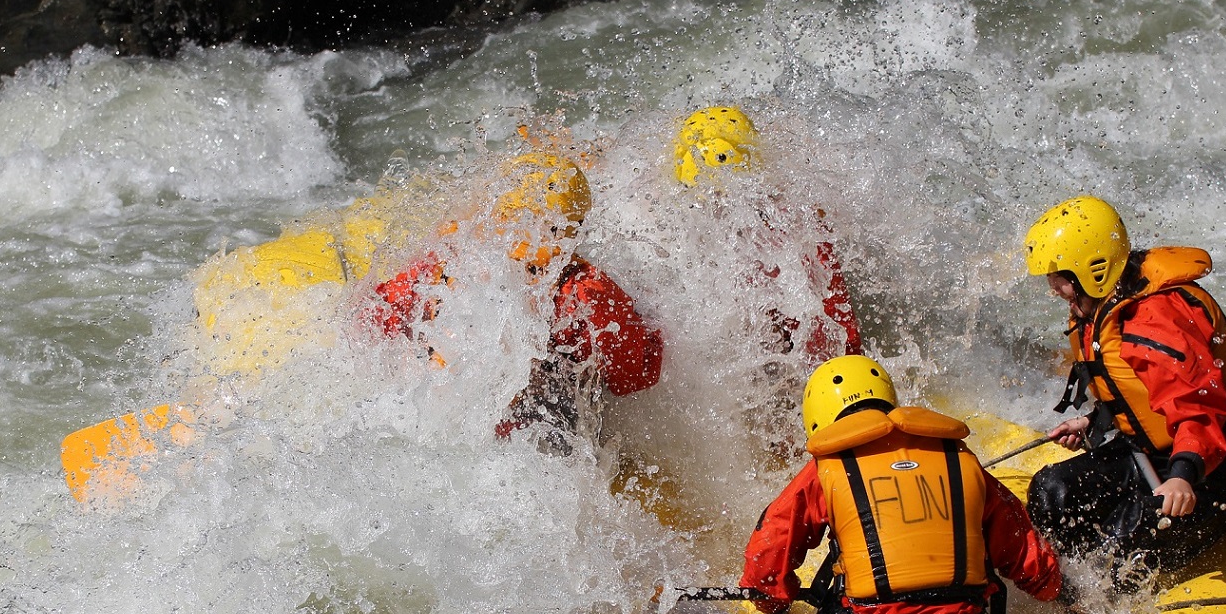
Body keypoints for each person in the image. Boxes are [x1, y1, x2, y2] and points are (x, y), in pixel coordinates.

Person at [740, 355, 1062, 614]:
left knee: (835, 607)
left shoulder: (825, 470)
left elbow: (766, 559)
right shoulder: (958, 455)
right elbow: (1028, 555)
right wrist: (1058, 591)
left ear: (818, 419)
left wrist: (774, 604)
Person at [1023, 195, 1226, 582]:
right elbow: (1141, 395)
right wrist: (1093, 421)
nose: (1055, 290)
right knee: (1050, 491)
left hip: (1217, 467)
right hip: (1151, 454)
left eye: (1060, 281)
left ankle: (1106, 598)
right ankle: (1074, 594)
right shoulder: (1102, 307)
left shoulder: (1156, 319)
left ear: (1095, 271)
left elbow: (1197, 410)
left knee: (1120, 546)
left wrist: (1183, 475)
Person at [368, 152, 664, 449]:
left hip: (428, 428)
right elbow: (633, 378)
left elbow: (375, 318)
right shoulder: (580, 291)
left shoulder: (445, 260)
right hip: (532, 445)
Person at [673, 105, 863, 360]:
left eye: (724, 199)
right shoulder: (676, 232)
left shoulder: (798, 231)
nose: (719, 212)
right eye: (708, 203)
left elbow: (840, 343)